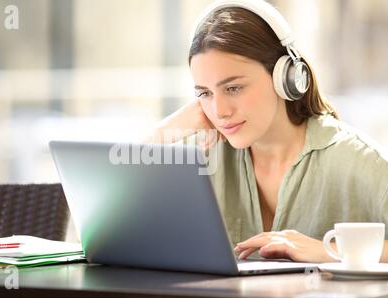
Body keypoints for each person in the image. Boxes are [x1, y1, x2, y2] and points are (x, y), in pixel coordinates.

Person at [145, 0, 388, 263]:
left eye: (234, 88)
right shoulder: (201, 156)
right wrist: (163, 132)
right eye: (204, 93)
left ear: (286, 78)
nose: (220, 110)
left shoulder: (359, 161)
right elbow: (107, 231)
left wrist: (328, 251)